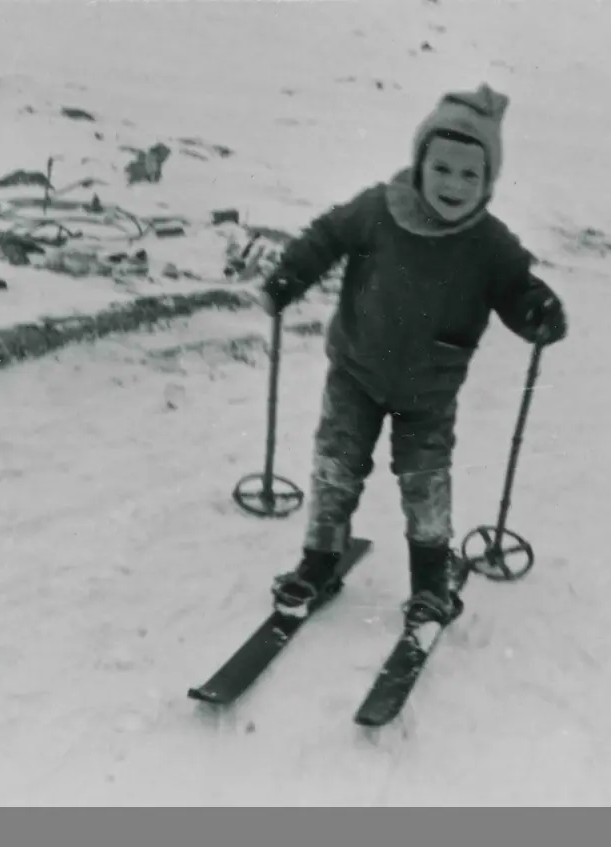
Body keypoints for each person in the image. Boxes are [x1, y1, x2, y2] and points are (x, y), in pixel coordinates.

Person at [257, 82, 567, 629]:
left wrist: (536, 310)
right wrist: (291, 276)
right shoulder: (379, 208)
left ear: (489, 182)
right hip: (355, 371)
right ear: (420, 163)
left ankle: (429, 583)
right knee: (337, 467)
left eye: (471, 174)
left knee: (424, 480)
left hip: (430, 390)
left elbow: (516, 288)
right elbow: (326, 236)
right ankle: (319, 560)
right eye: (443, 167)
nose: (454, 184)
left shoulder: (489, 243)